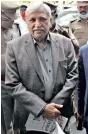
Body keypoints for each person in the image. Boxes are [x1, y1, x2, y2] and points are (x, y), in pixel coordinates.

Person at [5, 3, 78, 134]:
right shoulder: (14, 47)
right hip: (29, 116)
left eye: (42, 19)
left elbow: (73, 76)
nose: (37, 24)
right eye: (32, 20)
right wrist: (42, 107)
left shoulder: (65, 43)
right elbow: (12, 83)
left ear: (50, 21)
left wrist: (54, 106)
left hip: (60, 113)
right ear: (26, 22)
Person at [1, 2, 19, 134]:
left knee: (20, 119)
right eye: (8, 19)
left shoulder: (17, 28)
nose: (11, 22)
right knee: (5, 121)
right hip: (2, 82)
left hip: (19, 81)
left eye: (13, 18)